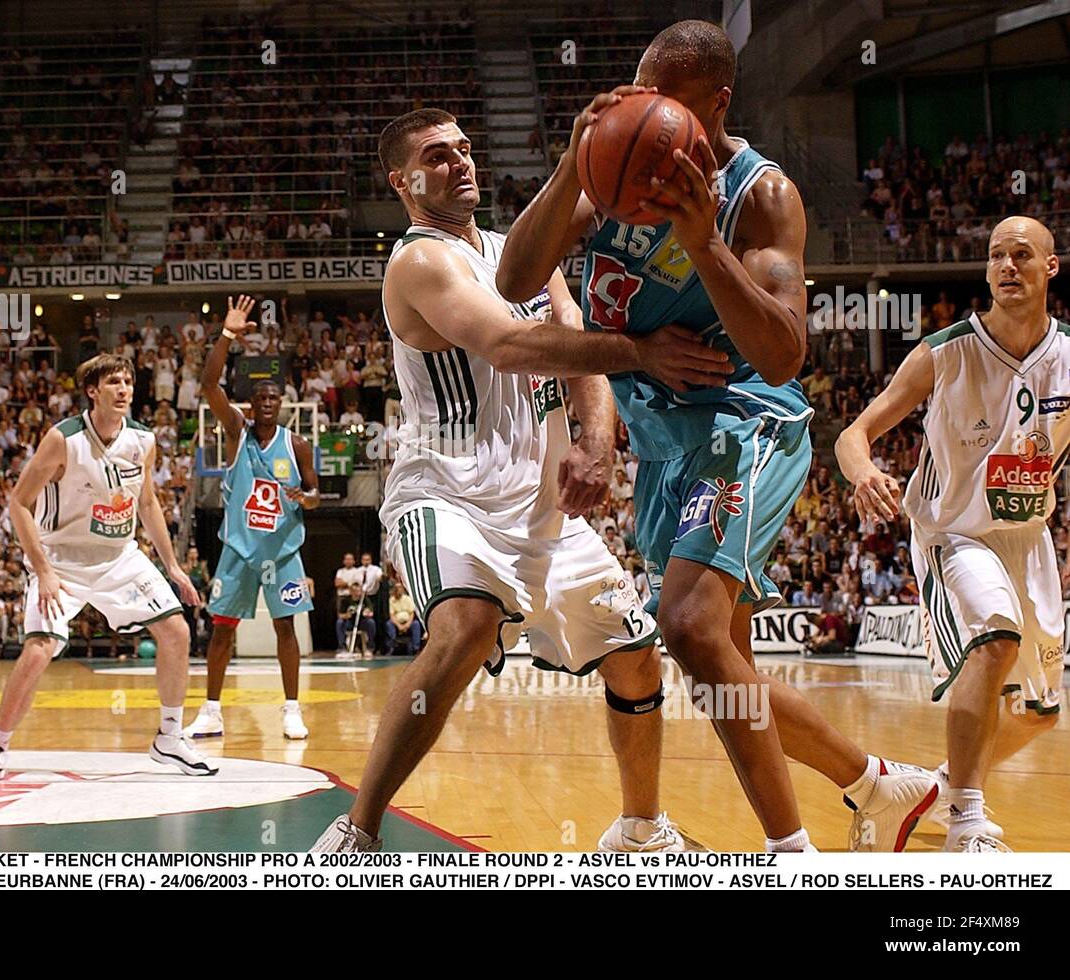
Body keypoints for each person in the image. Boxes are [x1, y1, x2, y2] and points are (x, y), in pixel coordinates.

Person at [497, 20, 935, 852]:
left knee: (690, 629)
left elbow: (781, 355)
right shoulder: (611, 170)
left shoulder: (760, 196)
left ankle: (791, 856)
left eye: (668, 105)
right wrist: (570, 164)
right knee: (725, 678)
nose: (644, 116)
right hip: (664, 446)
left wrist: (701, 244)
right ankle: (880, 788)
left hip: (744, 425)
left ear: (718, 104)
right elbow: (515, 279)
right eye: (638, 93)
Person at [313, 107, 681, 854]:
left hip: (543, 507)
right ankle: (357, 832)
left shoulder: (524, 252)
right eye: (437, 155)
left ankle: (640, 829)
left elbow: (575, 344)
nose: (459, 162)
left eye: (464, 149)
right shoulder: (420, 261)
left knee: (638, 657)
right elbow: (511, 345)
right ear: (402, 181)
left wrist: (597, 442)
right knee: (464, 628)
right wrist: (644, 351)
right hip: (446, 495)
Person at [835, 216, 1064, 852]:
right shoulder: (944, 352)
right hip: (955, 534)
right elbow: (852, 434)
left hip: (1030, 539)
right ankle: (966, 820)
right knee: (994, 639)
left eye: (1022, 255)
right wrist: (863, 474)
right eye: (996, 256)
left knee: (1039, 715)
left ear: (1051, 268)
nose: (1007, 266)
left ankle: (928, 793)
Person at [0, 353, 213, 784]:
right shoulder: (63, 439)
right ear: (92, 391)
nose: (124, 390)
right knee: (39, 649)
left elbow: (148, 503)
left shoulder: (143, 440)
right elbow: (19, 503)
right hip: (61, 560)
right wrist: (42, 570)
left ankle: (170, 738)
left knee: (176, 630)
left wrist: (172, 565)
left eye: (128, 382)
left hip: (118, 557)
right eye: (114, 382)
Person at [184, 296, 320, 742]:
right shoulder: (237, 432)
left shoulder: (296, 444)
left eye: (272, 397)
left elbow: (317, 496)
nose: (266, 402)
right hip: (239, 549)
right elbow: (208, 385)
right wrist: (226, 335)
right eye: (259, 396)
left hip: (281, 551)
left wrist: (308, 497)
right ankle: (210, 711)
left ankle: (292, 709)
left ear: (281, 403)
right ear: (252, 401)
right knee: (222, 631)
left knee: (287, 628)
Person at [384, 580, 423, 655]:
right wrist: (399, 625)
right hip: (397, 622)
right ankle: (392, 647)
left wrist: (407, 624)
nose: (399, 589)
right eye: (397, 588)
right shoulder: (392, 600)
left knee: (416, 624)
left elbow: (412, 613)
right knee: (389, 624)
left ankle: (416, 648)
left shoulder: (408, 598)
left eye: (400, 588)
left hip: (408, 621)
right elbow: (392, 615)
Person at [336, 582, 376, 654]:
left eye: (358, 591)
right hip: (350, 622)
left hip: (362, 622)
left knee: (371, 622)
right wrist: (346, 615)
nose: (357, 593)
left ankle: (370, 647)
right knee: (339, 622)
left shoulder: (364, 600)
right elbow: (340, 615)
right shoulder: (345, 600)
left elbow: (371, 613)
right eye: (354, 591)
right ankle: (342, 647)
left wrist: (367, 613)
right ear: (351, 591)